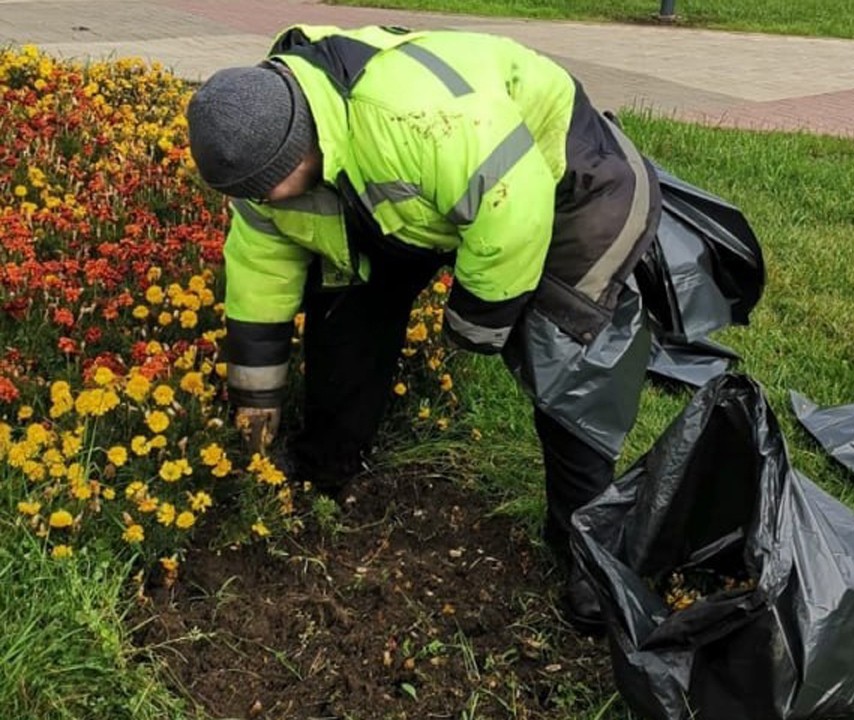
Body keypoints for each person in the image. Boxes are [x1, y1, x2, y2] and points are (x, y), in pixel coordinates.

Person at [186, 23, 662, 633]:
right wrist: (256, 398)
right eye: (256, 195)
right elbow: (260, 274)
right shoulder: (260, 160)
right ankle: (328, 465)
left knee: (569, 367)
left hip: (566, 178)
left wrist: (472, 327)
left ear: (302, 140)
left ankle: (590, 555)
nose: (270, 201)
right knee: (346, 312)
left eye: (276, 185)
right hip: (425, 202)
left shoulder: (411, 116)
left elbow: (511, 213)